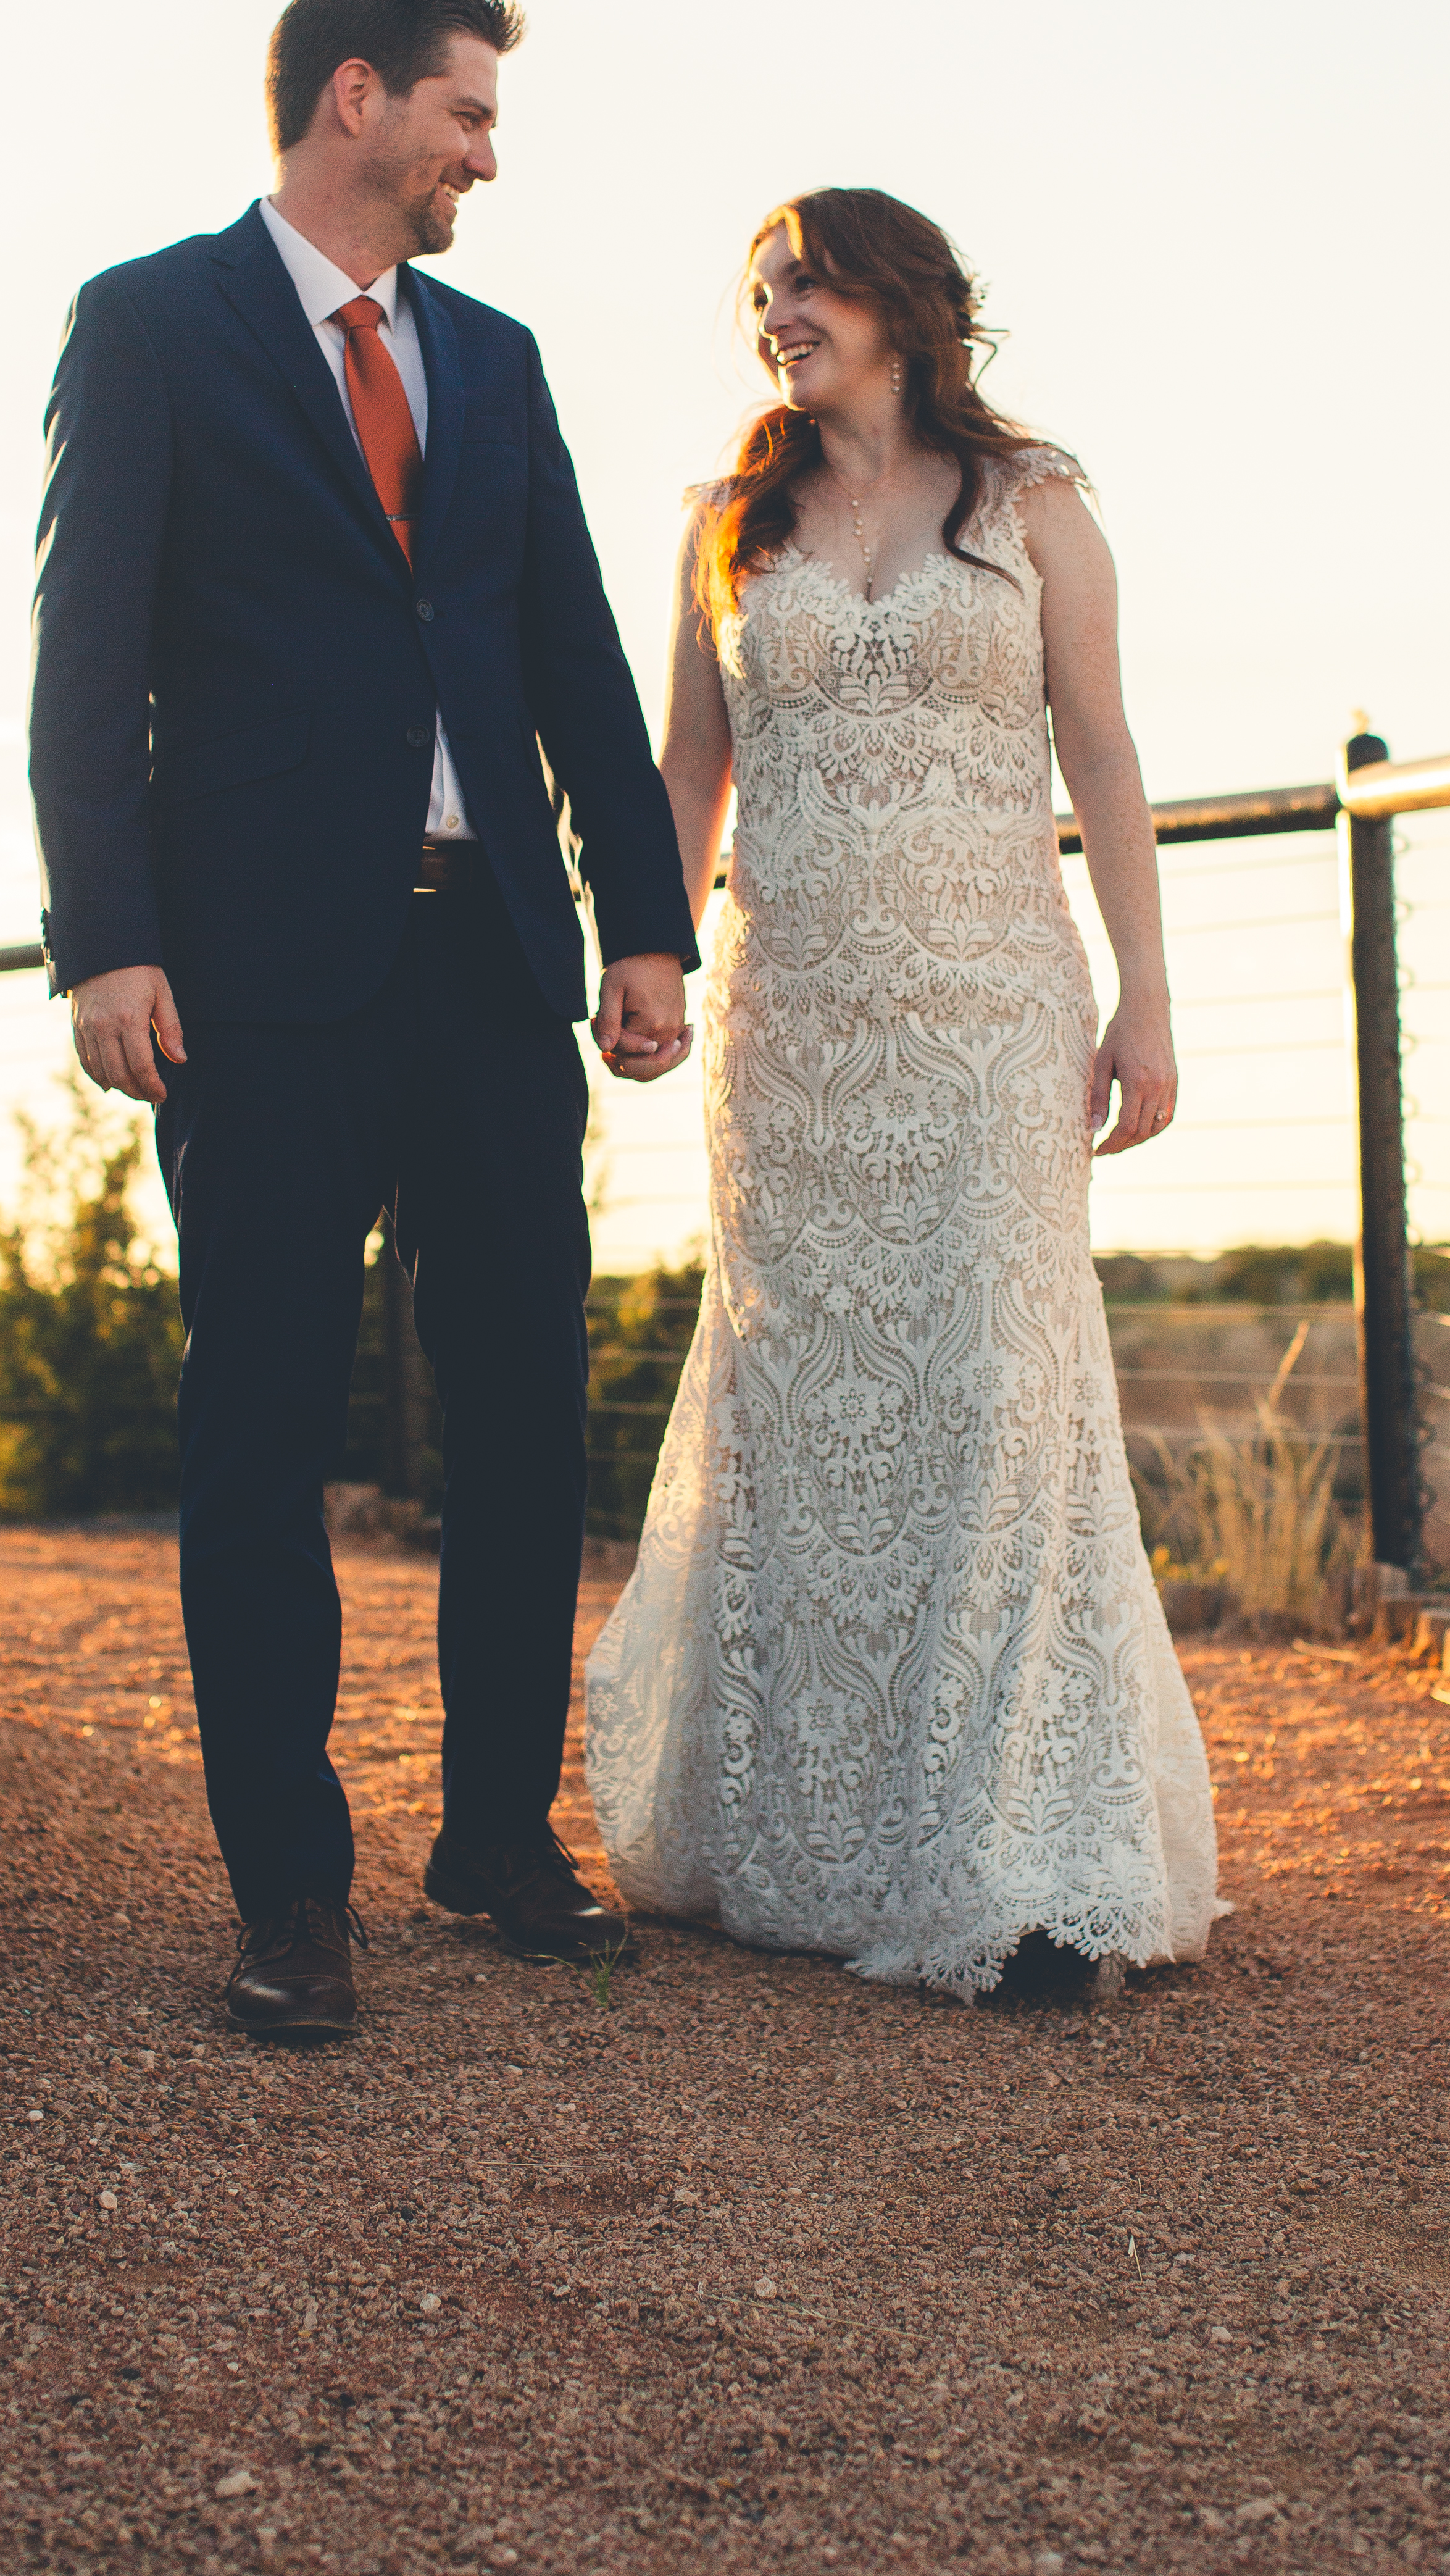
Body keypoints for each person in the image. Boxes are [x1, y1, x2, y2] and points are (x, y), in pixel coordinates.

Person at [28, 0, 698, 2043]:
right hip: (256, 979)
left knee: (518, 1413)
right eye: (467, 117)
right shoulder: (149, 326)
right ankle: (287, 1892)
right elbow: (85, 660)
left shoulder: (493, 361)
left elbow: (573, 652)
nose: (487, 157)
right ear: (354, 101)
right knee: (260, 1428)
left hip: (490, 963)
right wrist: (102, 939)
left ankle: (497, 1835)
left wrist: (645, 917)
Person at [585, 188, 1220, 1996]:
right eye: (765, 291)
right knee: (821, 1413)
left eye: (810, 286)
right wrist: (648, 962)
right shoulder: (730, 525)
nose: (778, 312)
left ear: (902, 304)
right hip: (800, 1035)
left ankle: (1024, 1863)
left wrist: (1147, 998)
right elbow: (687, 771)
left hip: (999, 1026)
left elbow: (1099, 750)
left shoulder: (1033, 509)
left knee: (1005, 1401)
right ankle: (819, 1837)